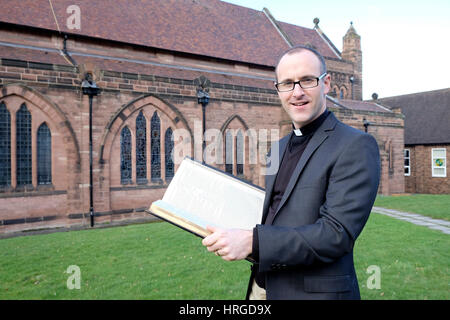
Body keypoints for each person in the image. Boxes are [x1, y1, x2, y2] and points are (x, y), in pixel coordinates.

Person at [202, 45, 380, 300]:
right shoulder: (278, 147)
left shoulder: (355, 145)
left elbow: (335, 234)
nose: (297, 93)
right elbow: (275, 212)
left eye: (307, 80)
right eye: (287, 83)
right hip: (262, 287)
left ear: (326, 83)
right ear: (278, 90)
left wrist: (253, 241)